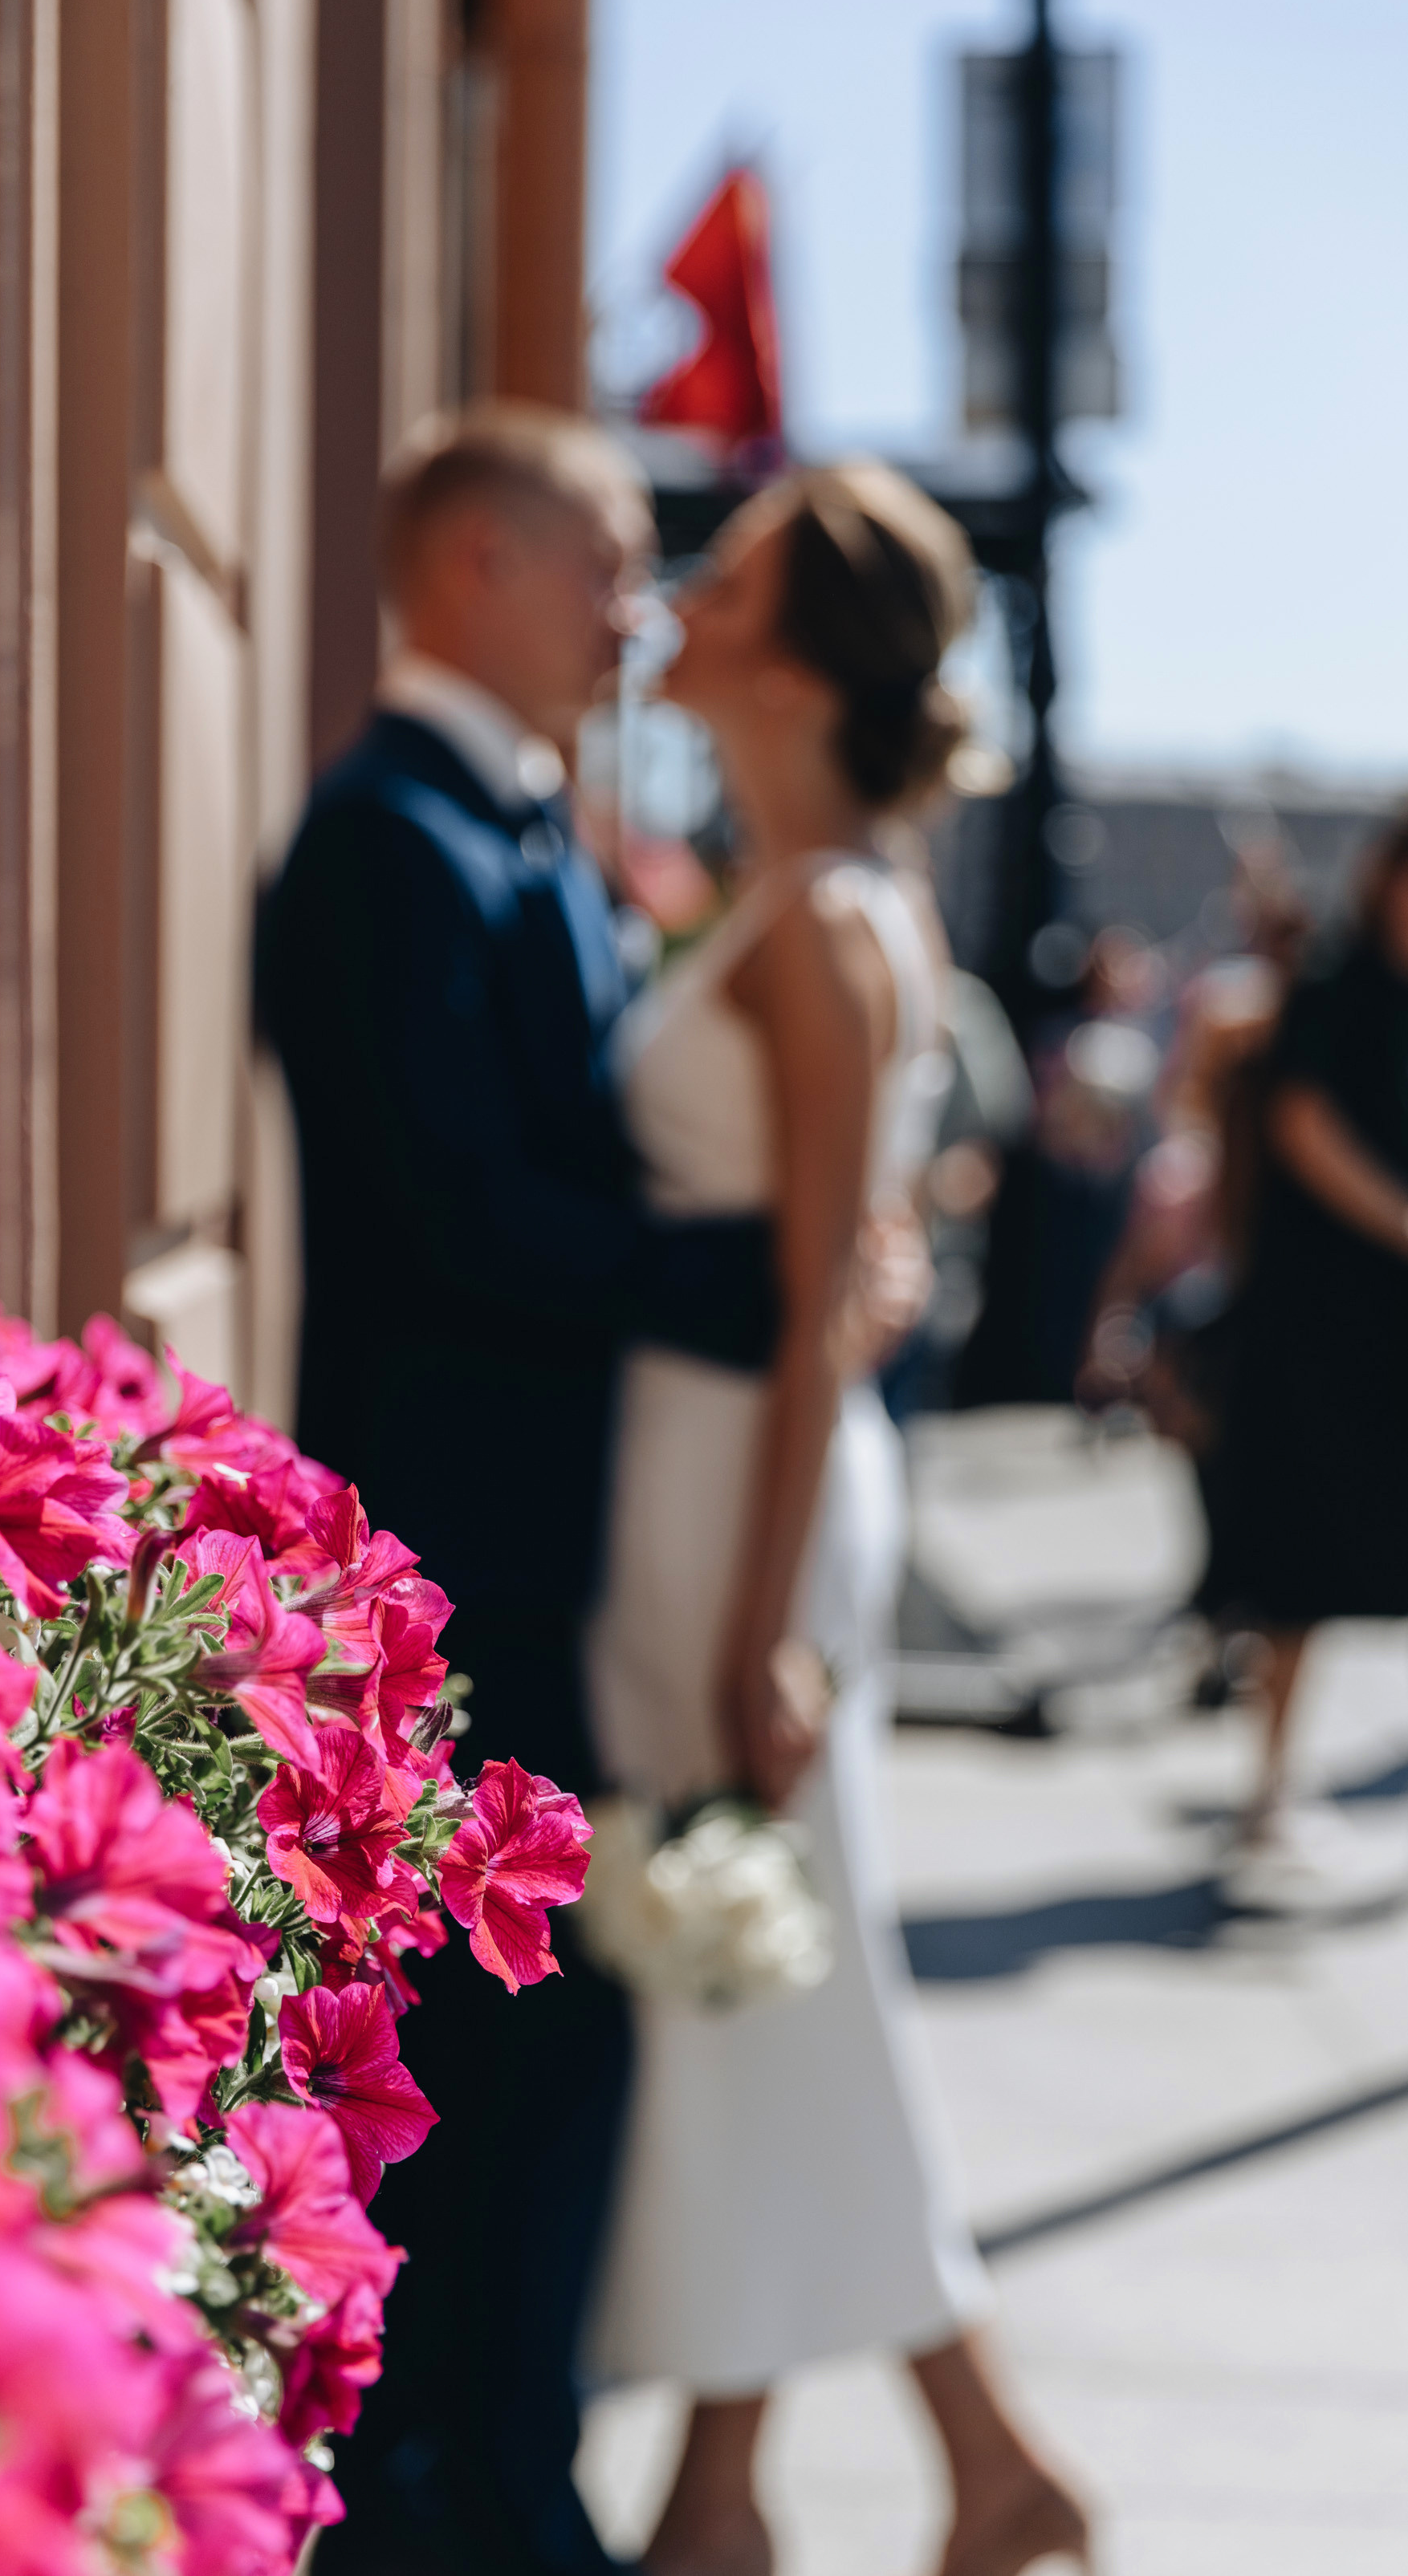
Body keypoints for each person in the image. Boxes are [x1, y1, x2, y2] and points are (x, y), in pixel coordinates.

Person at [256, 404, 784, 2576]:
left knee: (548, 2060)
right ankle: (454, 2490)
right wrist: (750, 1274)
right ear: (467, 568)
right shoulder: (386, 836)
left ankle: (509, 2461)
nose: (633, 607)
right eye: (600, 560)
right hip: (454, 1563)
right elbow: (454, 1216)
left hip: (562, 1559)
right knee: (484, 2066)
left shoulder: (524, 830)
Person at [584, 466, 1091, 2576]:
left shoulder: (821, 922)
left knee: (748, 1963)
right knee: (770, 1968)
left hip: (746, 1498)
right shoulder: (816, 890)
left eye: (730, 569)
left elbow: (812, 1297)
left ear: (787, 659)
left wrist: (755, 1624)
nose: (683, 590)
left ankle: (779, 2489)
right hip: (738, 1474)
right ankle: (840, 2477)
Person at [1198, 802, 1408, 1904]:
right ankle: (1266, 1789)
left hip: (1383, 1334)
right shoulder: (1333, 992)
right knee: (1295, 1571)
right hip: (1318, 1331)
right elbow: (1302, 1131)